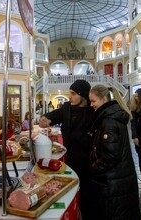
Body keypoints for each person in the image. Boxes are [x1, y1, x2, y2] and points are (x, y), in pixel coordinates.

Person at [82, 84, 140, 220]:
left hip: (111, 183)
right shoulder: (110, 116)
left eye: (93, 101)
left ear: (104, 99)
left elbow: (110, 155)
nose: (91, 105)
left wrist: (92, 169)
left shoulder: (109, 121)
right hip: (117, 180)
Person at [39, 79, 95, 217]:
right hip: (71, 161)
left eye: (73, 93)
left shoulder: (93, 112)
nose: (70, 96)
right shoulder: (67, 108)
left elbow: (92, 139)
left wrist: (77, 135)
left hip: (89, 164)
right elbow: (54, 115)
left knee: (88, 201)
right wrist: (45, 118)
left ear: (83, 95)